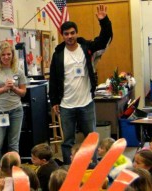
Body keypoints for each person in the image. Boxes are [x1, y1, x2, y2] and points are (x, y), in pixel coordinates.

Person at [48, 4, 113, 165]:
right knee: (67, 140)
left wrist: (104, 21)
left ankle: (92, 166)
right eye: (66, 34)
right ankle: (69, 168)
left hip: (86, 103)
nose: (69, 36)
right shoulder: (58, 55)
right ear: (62, 35)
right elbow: (53, 80)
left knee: (90, 137)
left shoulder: (87, 48)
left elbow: (105, 39)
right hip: (66, 104)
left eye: (72, 33)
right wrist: (54, 101)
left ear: (76, 33)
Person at [0, 41, 27, 179]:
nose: (6, 57)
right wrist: (4, 88)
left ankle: (15, 174)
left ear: (13, 55)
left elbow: (23, 93)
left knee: (13, 144)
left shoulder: (18, 71)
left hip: (15, 110)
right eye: (3, 54)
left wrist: (13, 88)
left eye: (9, 54)